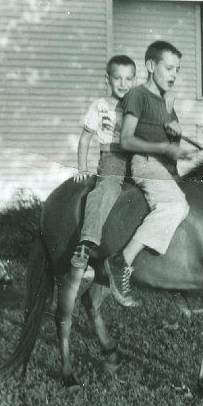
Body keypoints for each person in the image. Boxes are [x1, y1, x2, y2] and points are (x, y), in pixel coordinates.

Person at [112, 40, 193, 304]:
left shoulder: (166, 103)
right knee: (175, 206)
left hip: (167, 169)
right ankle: (122, 261)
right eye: (169, 68)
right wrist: (164, 146)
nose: (174, 74)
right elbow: (125, 140)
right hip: (144, 163)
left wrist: (176, 136)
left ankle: (173, 281)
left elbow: (171, 145)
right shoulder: (136, 95)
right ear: (150, 66)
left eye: (177, 70)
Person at [70, 55, 137, 305]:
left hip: (138, 157)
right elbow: (86, 137)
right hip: (113, 158)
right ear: (107, 79)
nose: (123, 83)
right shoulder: (100, 106)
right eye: (117, 78)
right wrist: (82, 167)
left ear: (135, 79)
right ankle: (87, 243)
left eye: (128, 78)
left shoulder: (137, 102)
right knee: (106, 188)